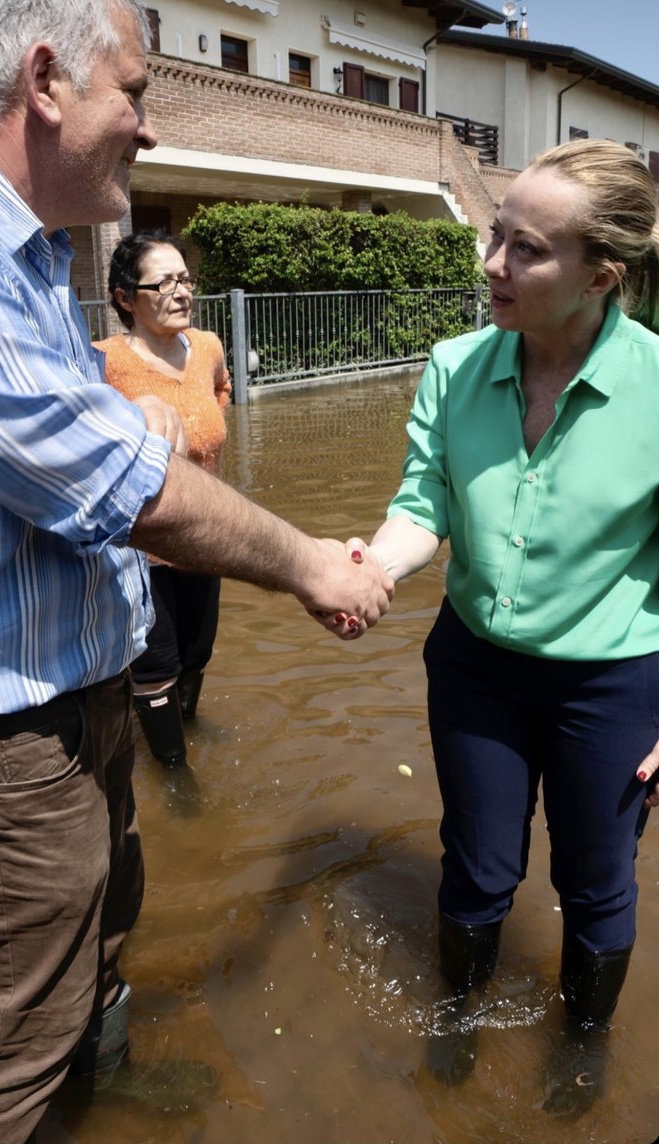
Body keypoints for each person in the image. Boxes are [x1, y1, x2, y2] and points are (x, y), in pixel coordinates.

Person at [0, 3, 392, 1142]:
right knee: (5, 1045)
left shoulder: (37, 253)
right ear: (45, 82)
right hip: (1, 736)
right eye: (136, 92)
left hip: (79, 691)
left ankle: (102, 1084)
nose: (148, 127)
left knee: (103, 928)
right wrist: (311, 564)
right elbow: (126, 486)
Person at [326, 138, 659, 1115]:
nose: (491, 265)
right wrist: (369, 570)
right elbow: (420, 503)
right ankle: (457, 1017)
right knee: (476, 864)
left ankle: (583, 1045)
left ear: (600, 275)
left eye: (525, 250)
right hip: (474, 664)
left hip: (613, 679)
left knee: (597, 880)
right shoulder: (453, 366)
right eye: (494, 236)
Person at [97, 231, 229, 769]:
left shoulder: (209, 348)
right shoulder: (102, 363)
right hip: (141, 548)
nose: (182, 292)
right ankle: (175, 779)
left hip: (207, 537)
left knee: (198, 651)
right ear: (126, 298)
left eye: (185, 279)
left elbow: (219, 395)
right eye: (165, 282)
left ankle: (186, 724)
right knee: (156, 665)